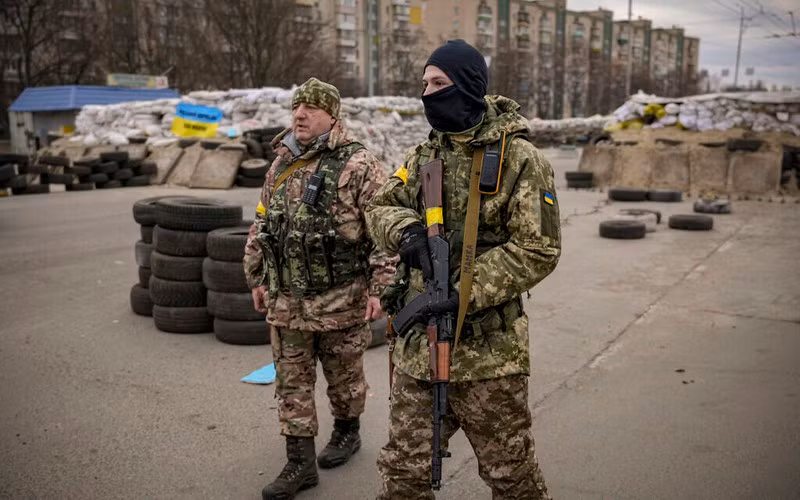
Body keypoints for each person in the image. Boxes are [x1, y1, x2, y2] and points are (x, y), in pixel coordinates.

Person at [365, 39, 562, 499]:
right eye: (424, 84)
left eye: (438, 83)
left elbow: (539, 248)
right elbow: (379, 206)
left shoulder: (520, 160)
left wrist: (464, 290)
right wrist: (406, 232)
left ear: (469, 86)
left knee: (511, 476)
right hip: (420, 351)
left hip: (489, 357)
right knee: (402, 474)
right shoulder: (422, 156)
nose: (427, 93)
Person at [243, 77, 396, 500]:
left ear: (332, 115)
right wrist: (256, 275)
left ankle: (348, 431)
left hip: (339, 298)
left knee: (344, 377)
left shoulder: (359, 164)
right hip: (286, 299)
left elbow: (382, 230)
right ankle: (300, 462)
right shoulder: (280, 163)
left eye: (310, 108)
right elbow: (262, 222)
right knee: (291, 381)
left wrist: (380, 288)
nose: (300, 114)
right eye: (297, 107)